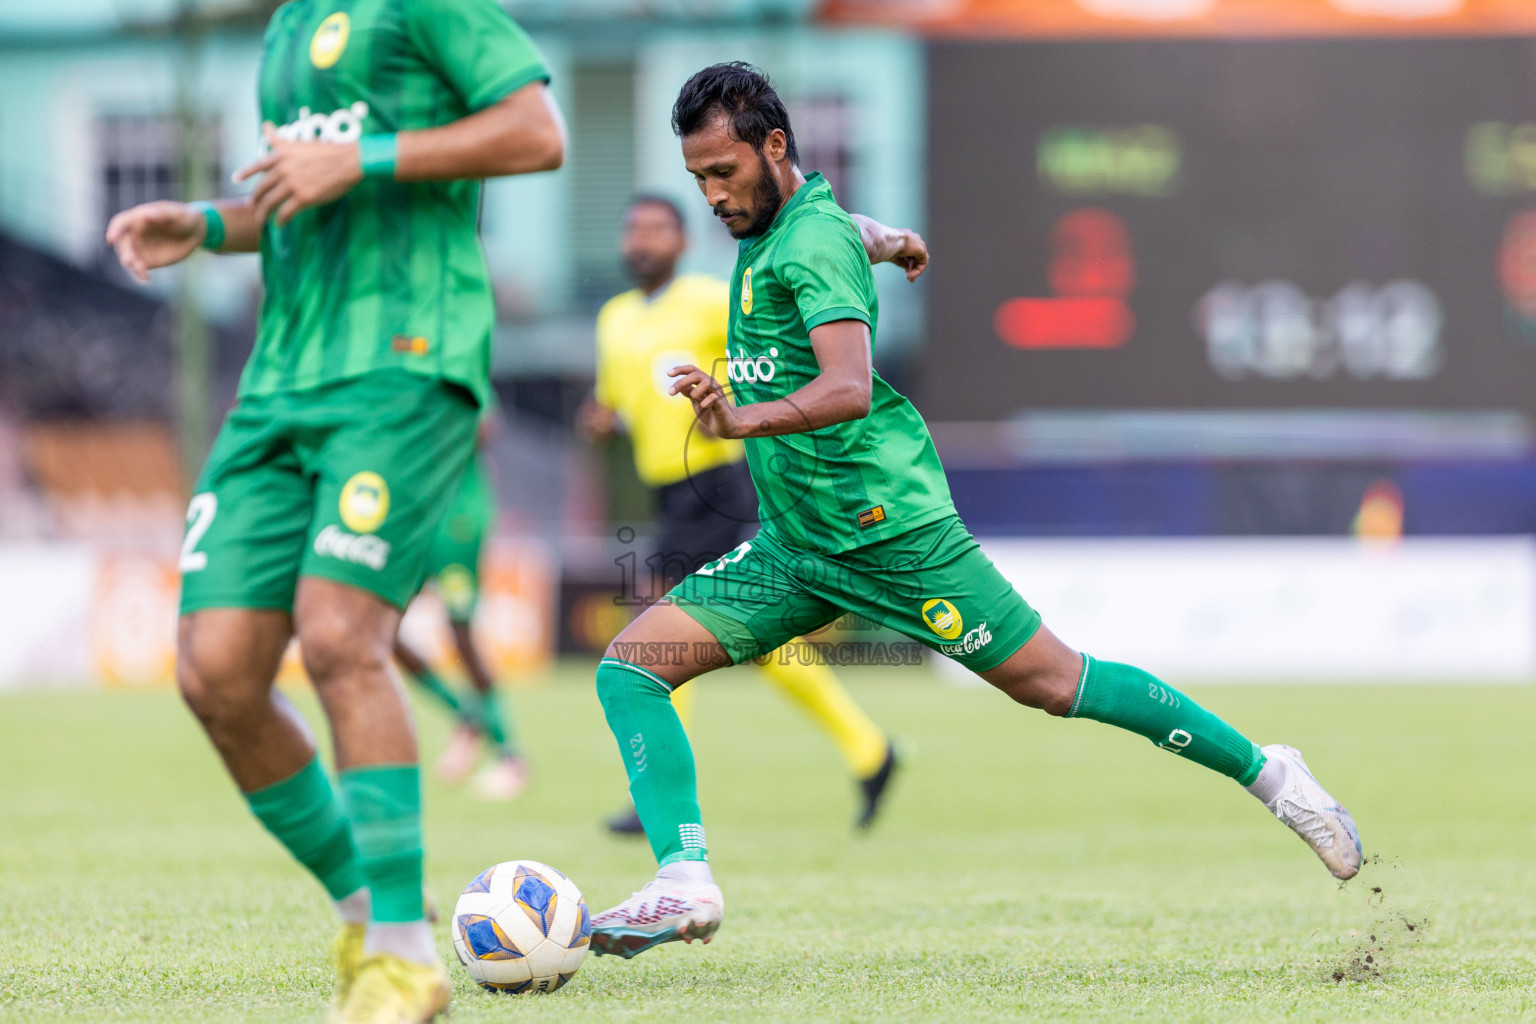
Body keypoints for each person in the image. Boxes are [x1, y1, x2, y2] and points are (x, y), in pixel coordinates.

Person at [586, 62, 1362, 960]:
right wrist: (896, 240)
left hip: (895, 538)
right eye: (698, 181)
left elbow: (844, 387)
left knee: (1056, 682)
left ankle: (1272, 775)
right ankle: (682, 882)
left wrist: (736, 415)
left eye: (723, 174)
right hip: (797, 548)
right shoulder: (803, 223)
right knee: (630, 667)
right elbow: (846, 230)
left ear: (774, 146)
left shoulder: (806, 244)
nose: (713, 197)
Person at [104, 2, 564, 1020]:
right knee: (215, 671)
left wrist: (367, 157)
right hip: (279, 385)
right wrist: (212, 224)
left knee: (339, 636)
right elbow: (308, 194)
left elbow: (536, 133)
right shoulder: (284, 32)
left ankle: (403, 956)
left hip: (403, 364)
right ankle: (375, 908)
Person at [581, 194, 919, 835]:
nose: (641, 242)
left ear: (682, 243)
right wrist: (602, 420)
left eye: (656, 230)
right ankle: (870, 752)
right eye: (632, 231)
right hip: (666, 488)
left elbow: (779, 334)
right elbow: (621, 401)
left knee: (660, 627)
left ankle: (653, 788)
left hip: (717, 480)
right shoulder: (613, 319)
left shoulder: (712, 300)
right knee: (766, 643)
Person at [393, 419, 528, 801]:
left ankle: (511, 756)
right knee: (381, 630)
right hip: (411, 524)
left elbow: (485, 426)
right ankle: (468, 716)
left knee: (461, 637)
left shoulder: (451, 364)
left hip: (456, 522)